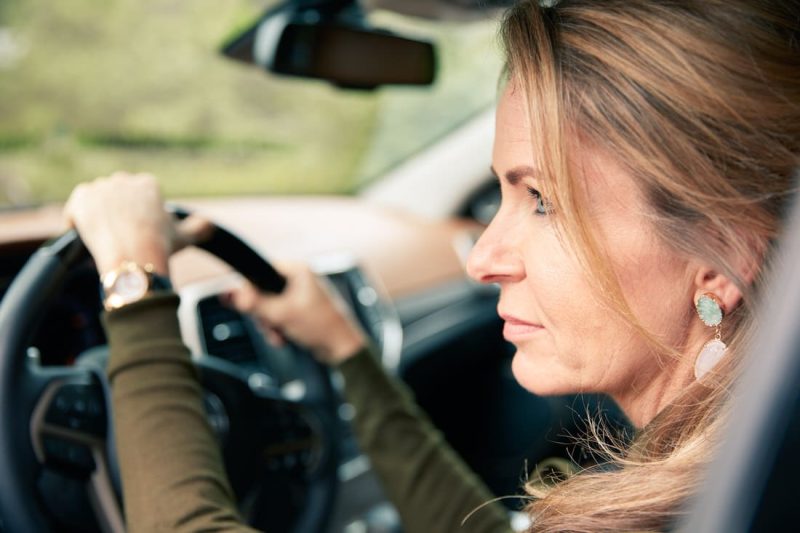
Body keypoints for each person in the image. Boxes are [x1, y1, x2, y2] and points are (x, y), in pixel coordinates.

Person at [64, 0, 800, 531]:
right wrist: (350, 356)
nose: (484, 257)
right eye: (502, 196)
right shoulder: (745, 472)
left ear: (724, 252)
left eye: (543, 201)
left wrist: (137, 287)